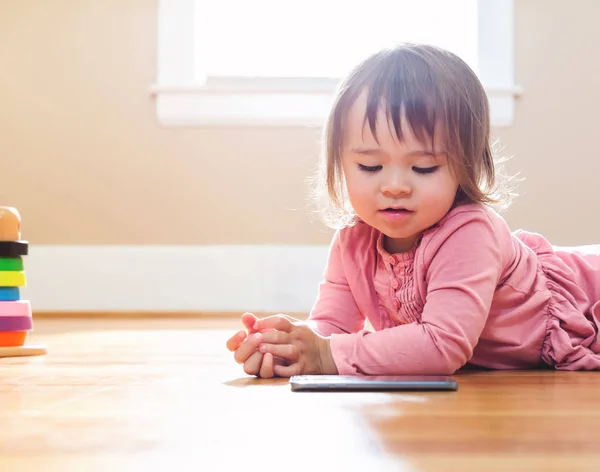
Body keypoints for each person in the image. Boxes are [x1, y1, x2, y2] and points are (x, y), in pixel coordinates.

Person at [225, 43, 600, 378]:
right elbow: (331, 328)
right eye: (370, 167)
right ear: (341, 164)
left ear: (465, 167)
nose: (395, 185)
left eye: (423, 168)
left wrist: (325, 354)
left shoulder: (470, 233)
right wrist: (289, 347)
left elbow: (441, 345)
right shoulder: (352, 241)